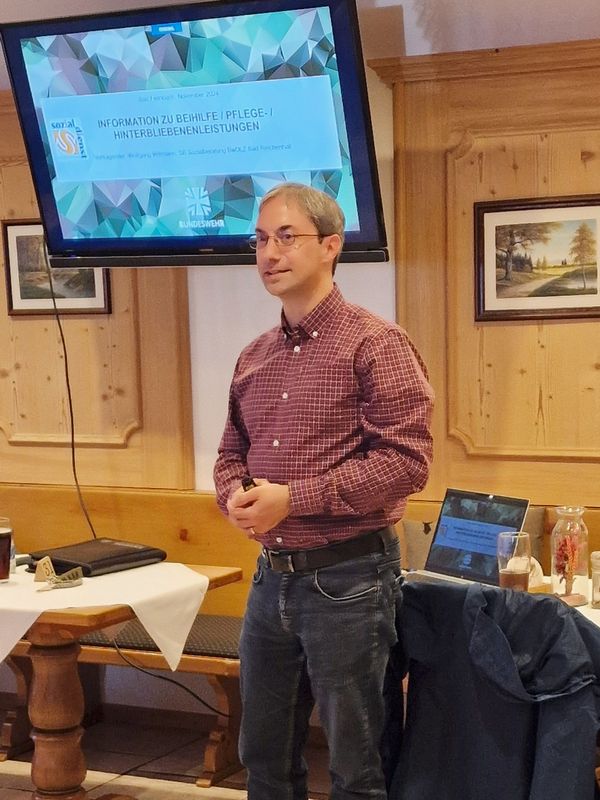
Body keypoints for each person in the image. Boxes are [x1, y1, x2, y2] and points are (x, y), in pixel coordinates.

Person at [213, 182, 434, 800]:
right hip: (270, 579)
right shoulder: (254, 355)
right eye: (259, 239)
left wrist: (295, 498)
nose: (269, 253)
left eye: (287, 237)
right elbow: (231, 455)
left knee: (357, 766)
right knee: (262, 757)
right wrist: (234, 496)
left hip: (351, 579)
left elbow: (406, 463)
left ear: (332, 246)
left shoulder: (375, 343)